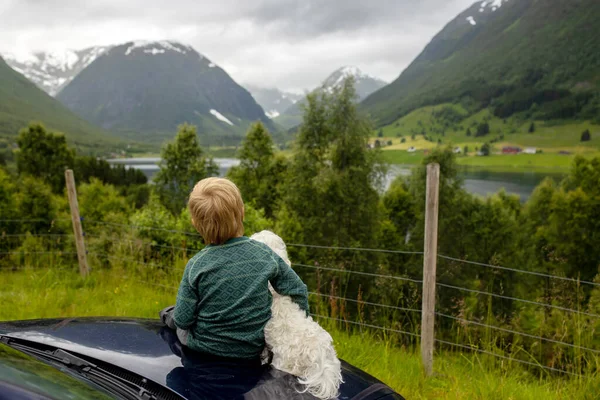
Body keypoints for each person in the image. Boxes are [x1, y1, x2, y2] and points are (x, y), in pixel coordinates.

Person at [160, 177, 309, 360]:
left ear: (195, 224)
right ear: (242, 213)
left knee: (174, 317)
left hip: (204, 346)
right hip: (252, 349)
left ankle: (166, 314)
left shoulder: (196, 265)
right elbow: (298, 289)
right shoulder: (264, 253)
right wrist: (298, 324)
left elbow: (184, 320)